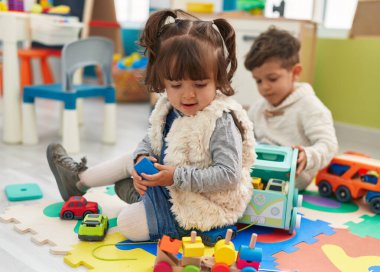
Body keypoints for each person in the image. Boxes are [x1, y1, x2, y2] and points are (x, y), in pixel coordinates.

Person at [47, 9, 255, 243]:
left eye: (199, 84)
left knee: (127, 224)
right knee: (131, 157)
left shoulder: (221, 120)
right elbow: (151, 140)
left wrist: (176, 176)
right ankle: (78, 181)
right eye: (176, 85)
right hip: (172, 186)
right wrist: (141, 158)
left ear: (218, 79)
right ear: (163, 80)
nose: (187, 95)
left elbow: (228, 175)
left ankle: (147, 202)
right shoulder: (168, 106)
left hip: (201, 206)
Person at [244, 26, 338, 191]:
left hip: (291, 180)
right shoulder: (258, 107)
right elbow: (245, 134)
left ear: (295, 72)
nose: (264, 87)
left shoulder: (310, 106)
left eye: (272, 79)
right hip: (257, 173)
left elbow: (328, 144)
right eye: (258, 81)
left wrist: (308, 156)